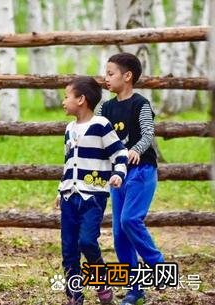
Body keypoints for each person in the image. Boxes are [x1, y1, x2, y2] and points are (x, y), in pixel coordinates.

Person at [99, 53, 165, 305]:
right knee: (119, 233)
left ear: (127, 77)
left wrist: (136, 149)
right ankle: (134, 289)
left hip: (141, 172)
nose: (106, 79)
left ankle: (157, 264)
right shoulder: (106, 107)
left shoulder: (141, 104)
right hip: (118, 176)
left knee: (130, 220)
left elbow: (148, 132)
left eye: (110, 74)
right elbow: (99, 132)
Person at [56, 76, 128, 305]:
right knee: (69, 249)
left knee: (87, 241)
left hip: (93, 196)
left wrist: (118, 174)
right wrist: (61, 190)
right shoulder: (69, 128)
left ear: (81, 99)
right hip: (70, 196)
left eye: (67, 96)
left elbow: (120, 153)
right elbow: (69, 163)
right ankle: (74, 296)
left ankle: (101, 281)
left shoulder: (101, 125)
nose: (63, 101)